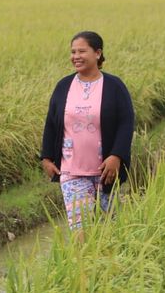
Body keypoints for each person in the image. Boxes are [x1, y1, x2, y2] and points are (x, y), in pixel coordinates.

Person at [40, 31, 134, 231]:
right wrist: (46, 158)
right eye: (73, 52)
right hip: (72, 169)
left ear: (97, 53)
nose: (76, 56)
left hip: (105, 171)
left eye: (82, 51)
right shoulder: (63, 86)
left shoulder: (114, 86)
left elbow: (126, 122)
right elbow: (51, 122)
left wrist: (116, 156)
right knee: (81, 229)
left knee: (109, 228)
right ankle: (81, 262)